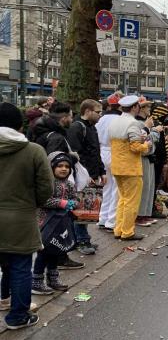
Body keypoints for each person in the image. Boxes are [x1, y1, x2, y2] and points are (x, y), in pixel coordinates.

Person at [0, 103, 52, 329]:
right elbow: (46, 187)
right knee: (21, 266)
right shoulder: (33, 151)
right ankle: (18, 316)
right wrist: (34, 203)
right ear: (20, 125)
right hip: (20, 218)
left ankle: (4, 299)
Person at [32, 152, 84, 295]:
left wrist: (75, 203)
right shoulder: (47, 183)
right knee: (44, 252)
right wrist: (63, 203)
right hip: (45, 222)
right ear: (52, 167)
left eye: (67, 166)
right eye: (60, 166)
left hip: (61, 223)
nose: (64, 169)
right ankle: (36, 280)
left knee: (56, 250)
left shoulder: (70, 184)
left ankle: (53, 278)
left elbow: (75, 198)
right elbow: (43, 200)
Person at [108, 95, 152, 241]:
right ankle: (127, 231)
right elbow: (135, 147)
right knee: (131, 201)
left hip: (117, 166)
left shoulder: (115, 121)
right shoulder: (133, 123)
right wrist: (146, 145)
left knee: (122, 199)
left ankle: (118, 229)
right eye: (138, 106)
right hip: (130, 168)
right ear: (134, 107)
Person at [66, 99, 104, 255]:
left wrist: (101, 171)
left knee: (87, 208)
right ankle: (81, 240)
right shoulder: (77, 127)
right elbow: (77, 154)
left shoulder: (91, 127)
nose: (100, 115)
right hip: (82, 176)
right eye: (98, 112)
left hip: (91, 174)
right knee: (82, 208)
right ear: (87, 111)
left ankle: (81, 238)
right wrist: (87, 174)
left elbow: (96, 152)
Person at [96, 95, 122, 232]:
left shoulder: (101, 119)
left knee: (106, 187)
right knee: (116, 188)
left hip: (102, 151)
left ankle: (102, 218)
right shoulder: (120, 119)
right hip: (115, 152)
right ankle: (111, 221)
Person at [134, 101, 161, 225]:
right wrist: (155, 132)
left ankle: (145, 213)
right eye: (148, 106)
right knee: (144, 187)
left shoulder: (146, 123)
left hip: (149, 157)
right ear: (142, 108)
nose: (150, 108)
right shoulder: (139, 124)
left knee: (149, 187)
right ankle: (140, 215)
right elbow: (145, 140)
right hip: (143, 157)